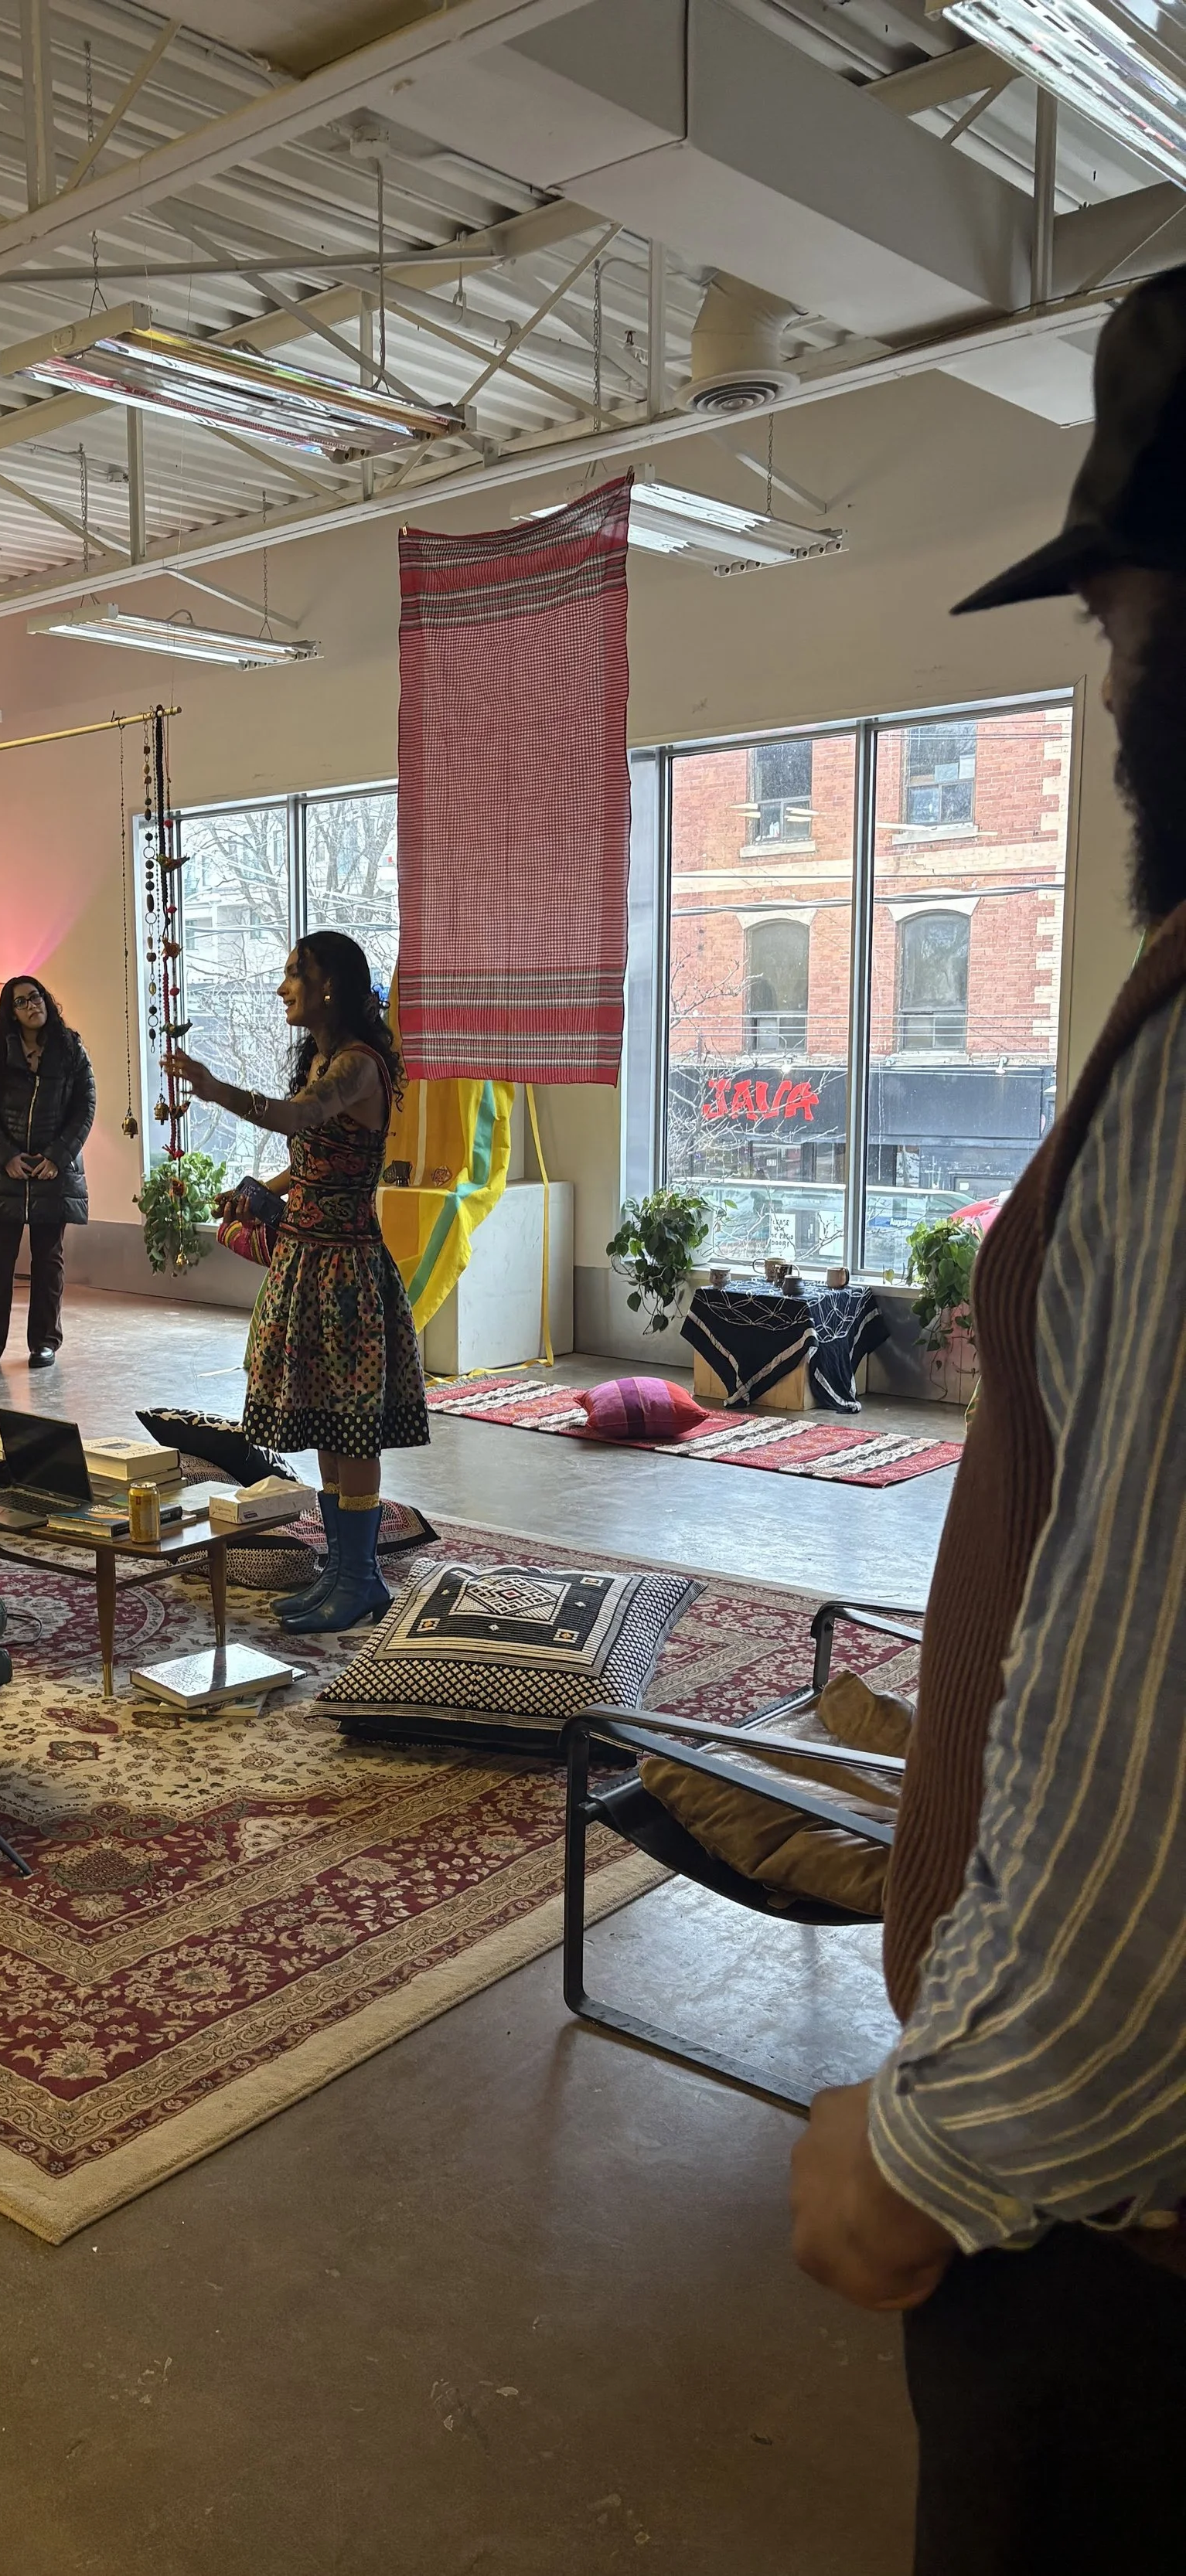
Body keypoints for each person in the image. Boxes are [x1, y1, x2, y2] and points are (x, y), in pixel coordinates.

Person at [789, 264, 1186, 2575]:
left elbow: (1144, 1699)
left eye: (1128, 626)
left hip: (1102, 2270)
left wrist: (936, 2139)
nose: (1111, 675)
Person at [165, 930, 428, 1632]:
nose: (283, 988)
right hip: (307, 1262)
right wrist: (259, 1186)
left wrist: (215, 1089)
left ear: (331, 986)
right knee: (322, 1421)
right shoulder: (320, 1056)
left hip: (345, 1270)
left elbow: (298, 1117)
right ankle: (342, 1573)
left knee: (352, 1429)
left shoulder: (359, 1065)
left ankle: (362, 1578)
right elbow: (312, 1155)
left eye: (294, 975)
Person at [0, 975, 95, 1373]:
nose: (31, 1006)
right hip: (6, 1172)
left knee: (48, 1261)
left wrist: (58, 1156)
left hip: (52, 1172)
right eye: (21, 1002)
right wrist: (4, 1155)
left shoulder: (70, 1047)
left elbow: (85, 1106)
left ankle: (44, 1343)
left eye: (35, 997)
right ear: (11, 1011)